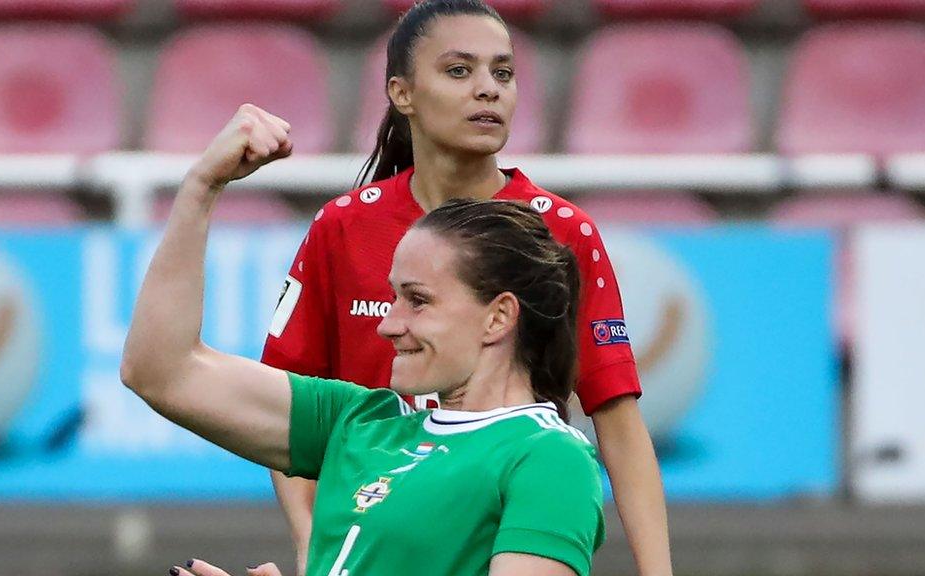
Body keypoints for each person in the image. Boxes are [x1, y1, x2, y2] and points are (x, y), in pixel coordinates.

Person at [262, 1, 672, 575]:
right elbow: (287, 411)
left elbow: (619, 424)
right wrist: (316, 548)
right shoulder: (343, 228)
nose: (488, 89)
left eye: (502, 73)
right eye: (460, 71)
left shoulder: (563, 233)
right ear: (402, 93)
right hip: (379, 543)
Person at [120, 104, 604, 576]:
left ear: (498, 318)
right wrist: (201, 188)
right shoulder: (360, 420)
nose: (388, 324)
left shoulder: (547, 457)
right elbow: (161, 371)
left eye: (417, 300)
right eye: (392, 297)